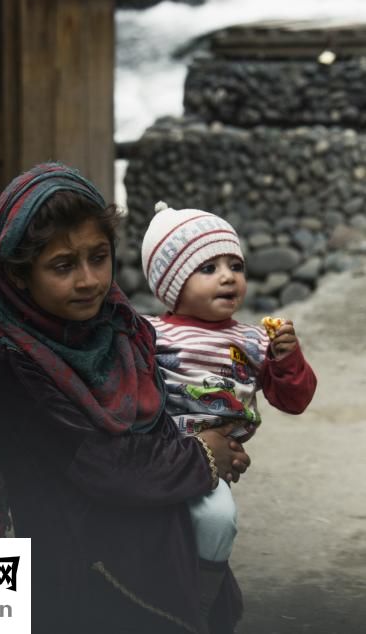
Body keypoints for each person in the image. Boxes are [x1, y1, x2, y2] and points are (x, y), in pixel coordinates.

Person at [0, 162, 252, 634]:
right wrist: (204, 456)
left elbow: (165, 416)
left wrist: (213, 443)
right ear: (18, 274)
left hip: (162, 547)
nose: (88, 281)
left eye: (98, 257)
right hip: (85, 576)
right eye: (63, 265)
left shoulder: (124, 328)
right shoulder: (14, 366)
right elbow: (102, 464)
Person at [141, 203, 317, 585]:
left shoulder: (254, 340)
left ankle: (205, 595)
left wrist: (287, 358)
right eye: (208, 268)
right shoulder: (151, 335)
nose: (227, 277)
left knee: (217, 519)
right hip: (160, 455)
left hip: (213, 468)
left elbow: (294, 400)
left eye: (235, 266)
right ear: (172, 283)